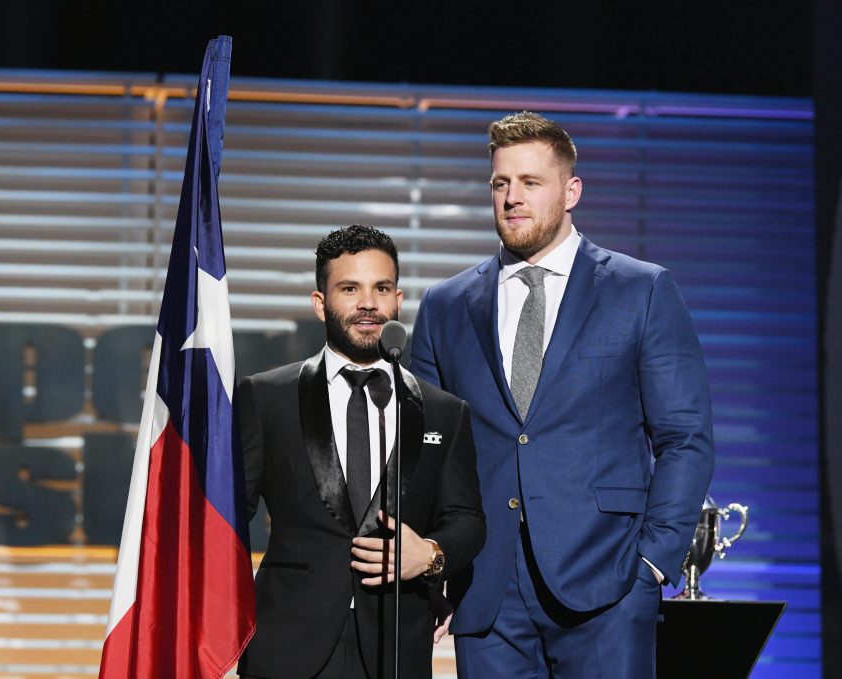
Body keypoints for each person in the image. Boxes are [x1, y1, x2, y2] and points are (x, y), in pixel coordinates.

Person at [410, 112, 715, 678]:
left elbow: (684, 437)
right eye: (501, 183)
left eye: (531, 182)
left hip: (608, 582)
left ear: (571, 190)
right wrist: (439, 562)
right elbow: (424, 450)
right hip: (486, 588)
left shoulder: (640, 289)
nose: (512, 198)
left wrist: (652, 561)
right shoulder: (446, 305)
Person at [236, 224, 486, 679]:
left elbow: (467, 519)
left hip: (396, 644)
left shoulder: (444, 412)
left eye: (381, 288)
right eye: (349, 288)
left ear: (398, 301)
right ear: (321, 303)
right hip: (289, 642)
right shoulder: (265, 397)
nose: (368, 303)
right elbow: (226, 515)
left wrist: (431, 554)